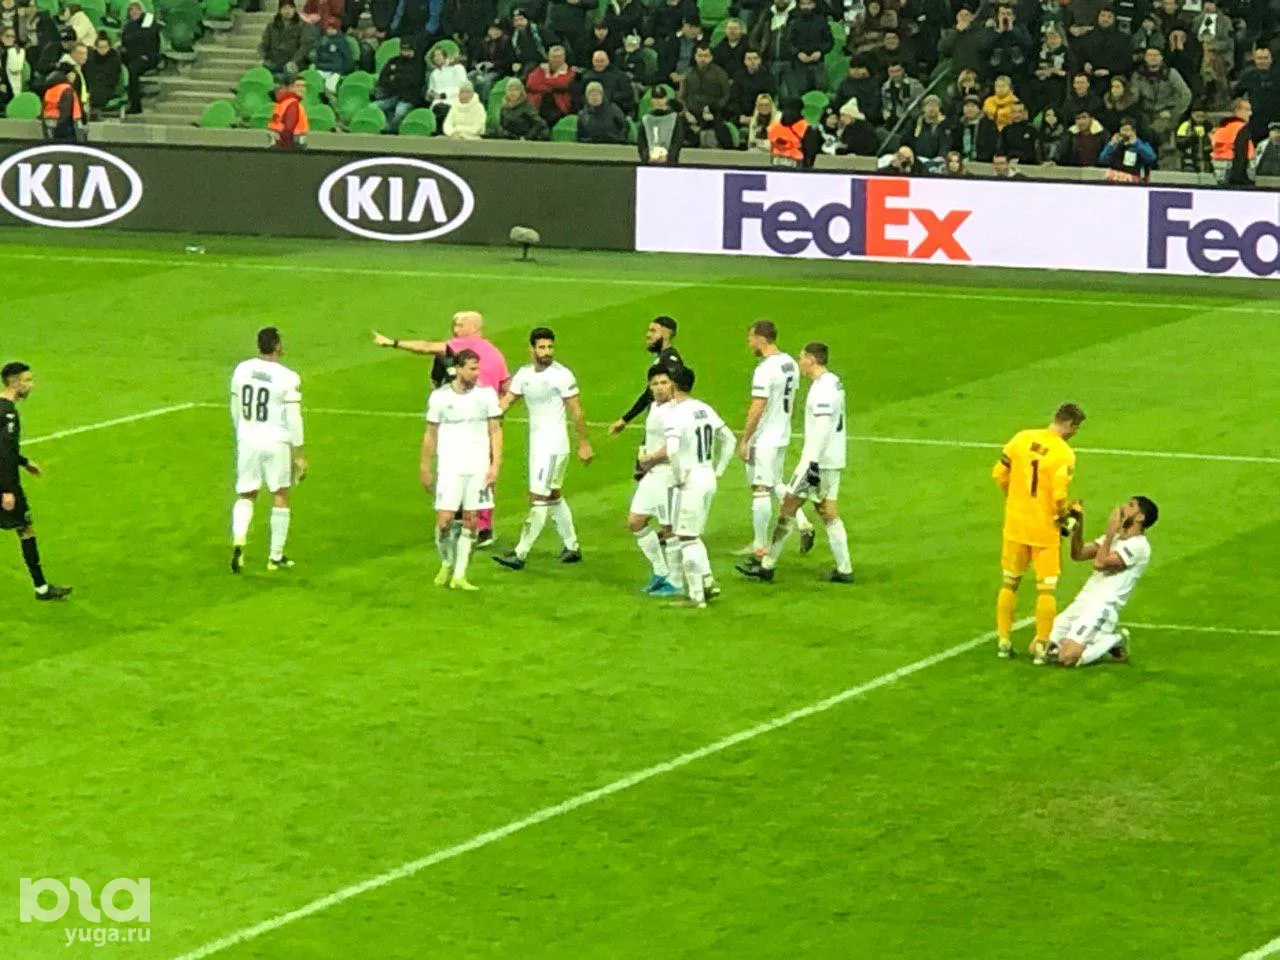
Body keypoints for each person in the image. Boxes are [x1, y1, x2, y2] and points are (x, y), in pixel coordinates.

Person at [374, 311, 510, 546]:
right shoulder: (496, 353)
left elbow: (426, 347)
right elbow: (507, 386)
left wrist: (392, 343)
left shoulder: (461, 347)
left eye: (460, 325)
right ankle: (484, 527)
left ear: (474, 327)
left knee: (460, 467)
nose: (455, 329)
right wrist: (497, 410)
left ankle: (462, 520)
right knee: (484, 471)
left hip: (466, 414)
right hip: (487, 416)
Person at [738, 342, 851, 584]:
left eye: (802, 358)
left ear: (812, 359)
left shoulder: (822, 390)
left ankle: (767, 565)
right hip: (834, 460)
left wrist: (813, 463)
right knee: (827, 512)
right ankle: (844, 569)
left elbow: (823, 427)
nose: (799, 363)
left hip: (817, 462)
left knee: (787, 509)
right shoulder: (834, 382)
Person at [991, 402, 1087, 659]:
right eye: (1076, 428)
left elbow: (999, 473)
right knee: (1046, 589)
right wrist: (1064, 516)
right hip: (1044, 531)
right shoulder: (1063, 453)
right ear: (1070, 424)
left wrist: (1014, 498)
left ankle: (1003, 641)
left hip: (1015, 524)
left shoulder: (1022, 438)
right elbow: (1059, 494)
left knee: (1009, 582)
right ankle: (1042, 646)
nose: (1074, 433)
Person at [494, 328, 593, 570]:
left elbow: (576, 410)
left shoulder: (562, 375)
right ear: (532, 349)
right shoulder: (524, 374)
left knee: (538, 498)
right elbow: (506, 402)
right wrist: (488, 417)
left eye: (550, 347)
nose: (547, 352)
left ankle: (520, 553)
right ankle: (572, 547)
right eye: (542, 347)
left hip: (554, 446)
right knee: (553, 495)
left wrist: (584, 442)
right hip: (538, 446)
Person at [637, 364, 734, 609]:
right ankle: (707, 582)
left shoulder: (676, 413)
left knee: (686, 537)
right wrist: (719, 470)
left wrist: (679, 476)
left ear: (674, 385)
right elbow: (730, 440)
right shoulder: (704, 408)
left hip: (691, 480)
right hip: (707, 476)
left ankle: (696, 597)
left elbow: (671, 450)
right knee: (692, 535)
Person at [1042, 497, 1158, 667]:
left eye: (1131, 505)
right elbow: (1078, 554)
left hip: (1102, 606)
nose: (1123, 507)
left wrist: (1110, 532)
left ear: (1140, 517)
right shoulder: (1116, 538)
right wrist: (1078, 525)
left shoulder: (1139, 546)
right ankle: (1099, 637)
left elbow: (1100, 563)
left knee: (1067, 658)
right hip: (1083, 601)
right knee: (1044, 651)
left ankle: (1114, 639)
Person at [422, 350, 502, 591]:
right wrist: (425, 466)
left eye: (477, 368)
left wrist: (495, 464)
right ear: (458, 369)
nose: (476, 373)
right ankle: (447, 561)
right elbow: (430, 433)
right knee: (445, 521)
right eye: (471, 368)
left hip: (477, 467)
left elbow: (495, 430)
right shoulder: (440, 397)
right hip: (450, 467)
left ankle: (460, 574)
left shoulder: (486, 395)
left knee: (471, 520)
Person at [228, 328, 307, 574]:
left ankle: (239, 539)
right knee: (280, 495)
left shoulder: (242, 369)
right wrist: (299, 454)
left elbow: (235, 408)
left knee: (246, 494)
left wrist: (242, 432)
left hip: (247, 439)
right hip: (276, 441)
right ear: (277, 346)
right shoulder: (288, 377)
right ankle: (275, 556)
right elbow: (293, 419)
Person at [735, 320, 814, 559]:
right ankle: (803, 523)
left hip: (765, 437)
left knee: (760, 489)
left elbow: (758, 406)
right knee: (775, 482)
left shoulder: (765, 369)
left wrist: (745, 438)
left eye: (751, 338)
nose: (749, 343)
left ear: (761, 338)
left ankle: (759, 546)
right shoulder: (789, 363)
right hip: (782, 433)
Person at [0, 363, 70, 601]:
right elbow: (4, 453)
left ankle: (41, 588)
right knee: (25, 529)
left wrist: (24, 462)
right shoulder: (8, 413)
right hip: (5, 483)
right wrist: (6, 490)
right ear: (13, 382)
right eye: (27, 381)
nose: (31, 386)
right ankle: (42, 589)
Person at [626, 365, 679, 597]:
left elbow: (675, 446)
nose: (659, 387)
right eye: (655, 383)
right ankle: (660, 571)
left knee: (669, 529)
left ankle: (676, 581)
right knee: (635, 521)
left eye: (664, 382)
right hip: (652, 474)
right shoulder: (655, 407)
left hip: (668, 473)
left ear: (672, 384)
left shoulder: (675, 410)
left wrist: (650, 458)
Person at [609, 314, 683, 436]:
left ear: (666, 333)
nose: (648, 335)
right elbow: (649, 394)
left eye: (653, 331)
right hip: (660, 425)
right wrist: (625, 420)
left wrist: (625, 420)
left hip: (665, 427)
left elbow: (671, 391)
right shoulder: (663, 358)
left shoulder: (670, 360)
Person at [374, 37, 424, 133]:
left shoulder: (419, 63)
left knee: (399, 112)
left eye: (408, 49)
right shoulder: (394, 61)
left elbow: (415, 81)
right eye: (403, 49)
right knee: (373, 107)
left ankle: (390, 132)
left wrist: (395, 78)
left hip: (409, 98)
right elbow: (383, 79)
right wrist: (398, 80)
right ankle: (381, 127)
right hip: (391, 95)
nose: (405, 52)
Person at [782, 0, 831, 96]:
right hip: (799, 65)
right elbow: (788, 42)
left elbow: (829, 41)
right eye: (803, 4)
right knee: (800, 93)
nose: (806, 7)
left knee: (820, 92)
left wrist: (820, 52)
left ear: (814, 4)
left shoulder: (822, 21)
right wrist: (798, 53)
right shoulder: (793, 22)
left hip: (818, 64)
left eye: (809, 4)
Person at [119, 0, 158, 114]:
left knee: (133, 69)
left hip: (148, 56)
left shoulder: (148, 19)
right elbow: (126, 39)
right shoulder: (129, 24)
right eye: (131, 9)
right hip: (133, 55)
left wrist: (132, 39)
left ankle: (135, 105)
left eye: (137, 9)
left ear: (142, 9)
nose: (134, 11)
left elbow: (146, 37)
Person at [525, 43, 577, 123]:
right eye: (553, 57)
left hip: (558, 107)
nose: (556, 60)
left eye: (559, 57)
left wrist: (546, 76)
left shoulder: (569, 72)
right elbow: (531, 84)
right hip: (537, 105)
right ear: (548, 57)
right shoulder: (540, 68)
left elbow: (562, 84)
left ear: (564, 57)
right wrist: (551, 86)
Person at [259, 0, 309, 82]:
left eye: (290, 8)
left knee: (290, 70)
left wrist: (294, 61)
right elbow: (263, 44)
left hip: (292, 61)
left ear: (294, 9)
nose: (287, 11)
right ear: (280, 10)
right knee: (260, 68)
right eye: (284, 8)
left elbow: (304, 46)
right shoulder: (271, 26)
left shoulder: (302, 25)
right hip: (274, 60)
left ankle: (280, 82)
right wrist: (263, 57)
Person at [1210, 96, 1254, 185]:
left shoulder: (1219, 129)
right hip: (1234, 177)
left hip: (1215, 174)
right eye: (1247, 110)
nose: (1250, 113)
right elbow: (1241, 156)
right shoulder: (1242, 129)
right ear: (1237, 110)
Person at [767, 94, 820, 167]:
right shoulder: (808, 128)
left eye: (792, 109)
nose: (789, 112)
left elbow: (810, 157)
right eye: (787, 108)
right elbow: (811, 155)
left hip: (793, 168)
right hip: (779, 167)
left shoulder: (772, 127)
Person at [637, 83, 685, 162]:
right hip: (649, 162)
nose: (658, 101)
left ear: (665, 99)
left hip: (669, 163)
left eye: (661, 98)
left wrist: (669, 158)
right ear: (651, 100)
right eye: (655, 98)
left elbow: (677, 142)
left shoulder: (674, 118)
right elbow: (641, 142)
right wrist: (647, 156)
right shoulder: (645, 119)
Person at [313, 16, 353, 97]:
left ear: (337, 29)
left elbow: (347, 56)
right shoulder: (322, 40)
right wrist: (317, 64)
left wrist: (345, 70)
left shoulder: (341, 41)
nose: (330, 30)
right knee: (316, 86)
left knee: (330, 89)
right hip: (322, 68)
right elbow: (319, 54)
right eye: (328, 28)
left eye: (333, 28)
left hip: (336, 70)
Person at [40, 66, 82, 142]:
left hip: (48, 122)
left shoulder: (50, 89)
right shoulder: (66, 89)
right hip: (65, 125)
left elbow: (44, 107)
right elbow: (66, 112)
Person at [950, 94, 997, 162]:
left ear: (978, 108)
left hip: (983, 162)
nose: (969, 109)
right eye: (967, 106)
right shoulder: (959, 125)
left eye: (973, 106)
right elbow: (954, 146)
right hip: (962, 161)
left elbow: (991, 146)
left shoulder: (988, 125)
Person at [83, 32, 119, 119]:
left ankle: (94, 111)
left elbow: (113, 76)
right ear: (96, 47)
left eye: (105, 47)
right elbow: (88, 72)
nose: (103, 50)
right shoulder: (91, 57)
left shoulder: (114, 57)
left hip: (107, 85)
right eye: (100, 47)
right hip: (92, 83)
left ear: (109, 47)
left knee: (98, 87)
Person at [268, 73, 309, 148]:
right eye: (298, 86)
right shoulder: (293, 104)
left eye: (304, 86)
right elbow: (288, 130)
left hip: (277, 142)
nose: (302, 89)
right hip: (292, 145)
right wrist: (287, 150)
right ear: (290, 88)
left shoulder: (284, 102)